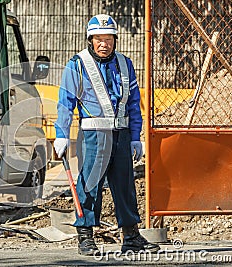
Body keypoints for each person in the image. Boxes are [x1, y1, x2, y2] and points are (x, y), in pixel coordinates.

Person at [54, 14, 160, 256]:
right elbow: (65, 102)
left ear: (115, 39)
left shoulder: (125, 64)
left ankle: (131, 237)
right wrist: (61, 134)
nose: (104, 44)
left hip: (121, 135)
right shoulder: (77, 64)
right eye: (99, 39)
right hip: (93, 136)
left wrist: (135, 136)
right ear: (90, 40)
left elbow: (134, 103)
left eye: (109, 38)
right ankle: (85, 236)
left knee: (124, 186)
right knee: (90, 185)